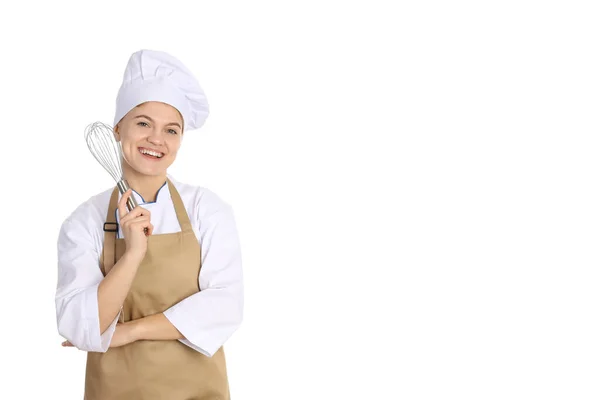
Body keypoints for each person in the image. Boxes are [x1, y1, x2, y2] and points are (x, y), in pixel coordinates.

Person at [55, 49, 243, 399]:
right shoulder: (84, 221)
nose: (157, 140)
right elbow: (84, 326)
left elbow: (225, 305)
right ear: (117, 128)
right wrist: (132, 254)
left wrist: (129, 332)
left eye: (171, 130)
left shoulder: (206, 209)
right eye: (143, 123)